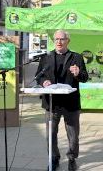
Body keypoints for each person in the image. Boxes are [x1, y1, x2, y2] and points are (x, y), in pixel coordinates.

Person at [35, 30, 88, 171]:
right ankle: (54, 158)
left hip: (71, 103)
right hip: (52, 103)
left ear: (68, 41)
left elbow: (84, 77)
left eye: (62, 39)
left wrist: (78, 73)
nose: (59, 41)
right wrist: (43, 81)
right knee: (50, 135)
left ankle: (72, 159)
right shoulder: (46, 57)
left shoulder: (76, 57)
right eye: (56, 39)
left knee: (73, 135)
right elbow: (38, 76)